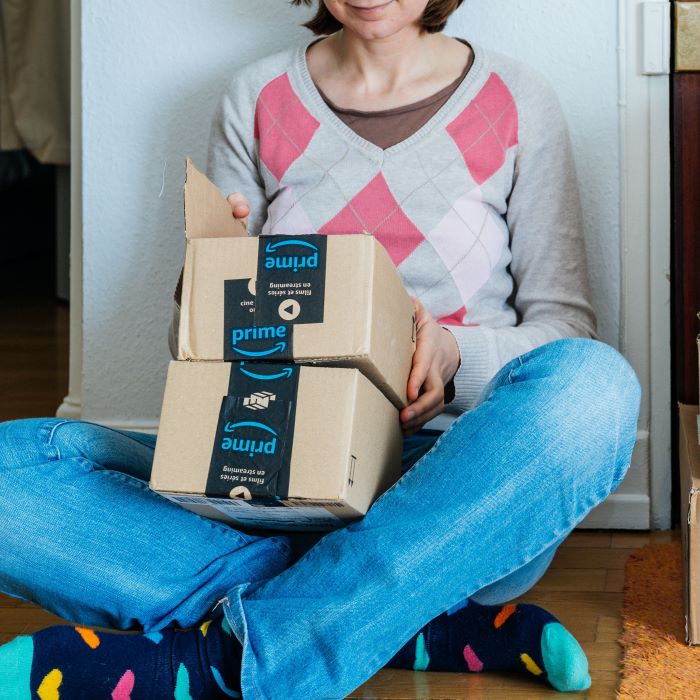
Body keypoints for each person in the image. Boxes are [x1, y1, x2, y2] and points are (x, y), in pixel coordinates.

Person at [0, 1, 641, 698]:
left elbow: (565, 332)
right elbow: (201, 358)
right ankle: (408, 621)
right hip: (270, 473)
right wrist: (208, 293)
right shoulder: (256, 95)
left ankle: (214, 666)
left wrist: (455, 353)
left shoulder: (516, 99)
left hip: (448, 489)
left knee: (597, 388)